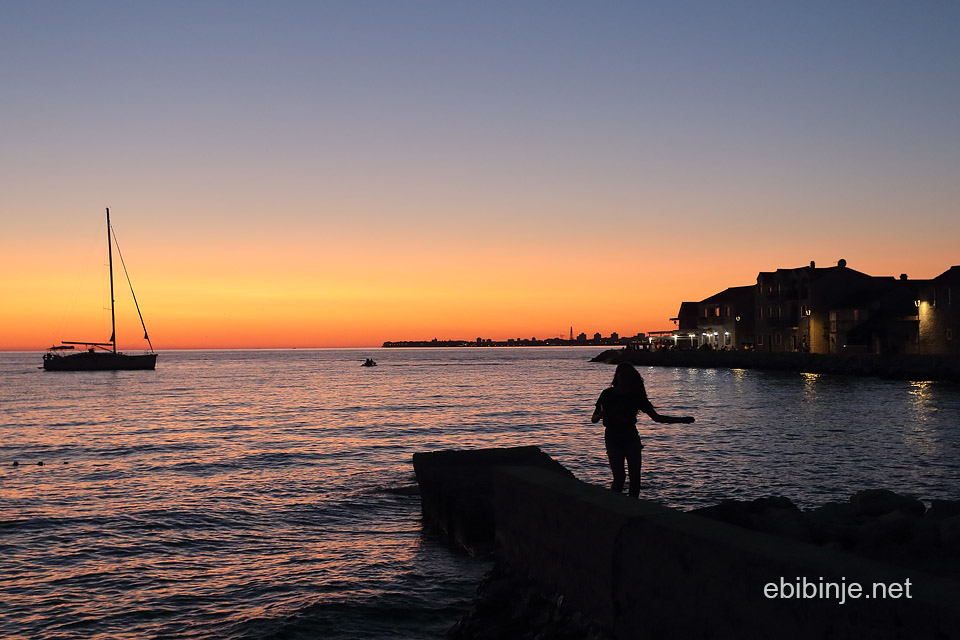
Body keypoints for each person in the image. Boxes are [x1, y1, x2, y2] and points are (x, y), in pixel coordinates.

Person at [591, 362, 694, 497]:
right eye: (622, 375)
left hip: (630, 437)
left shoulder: (636, 396)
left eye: (627, 376)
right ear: (617, 376)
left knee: (635, 477)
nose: (624, 378)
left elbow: (656, 417)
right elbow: (594, 418)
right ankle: (617, 506)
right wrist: (600, 415)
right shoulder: (607, 394)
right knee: (620, 477)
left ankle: (631, 507)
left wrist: (681, 420)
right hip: (613, 438)